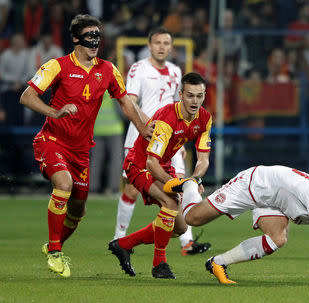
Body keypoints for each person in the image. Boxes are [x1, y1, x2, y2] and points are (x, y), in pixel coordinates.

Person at [19, 14, 152, 278]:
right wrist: (54, 112)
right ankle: (56, 252)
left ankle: (53, 246)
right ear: (76, 38)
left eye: (98, 37)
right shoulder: (57, 66)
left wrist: (141, 128)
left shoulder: (108, 69)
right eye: (90, 36)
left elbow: (125, 101)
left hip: (81, 151)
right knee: (64, 184)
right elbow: (27, 96)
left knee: (78, 210)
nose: (94, 42)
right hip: (53, 141)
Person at [178, 165, 309, 285]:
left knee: (278, 240)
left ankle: (218, 263)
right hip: (253, 184)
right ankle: (189, 184)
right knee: (192, 218)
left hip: (273, 202)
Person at [113, 26, 211, 255]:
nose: (161, 47)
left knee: (179, 184)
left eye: (166, 44)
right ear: (149, 46)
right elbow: (130, 101)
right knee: (132, 188)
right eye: (157, 43)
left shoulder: (177, 72)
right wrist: (150, 123)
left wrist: (182, 142)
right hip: (142, 134)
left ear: (171, 47)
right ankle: (119, 236)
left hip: (172, 139)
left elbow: (183, 107)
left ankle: (186, 242)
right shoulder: (139, 69)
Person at [108, 72, 212, 279]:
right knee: (171, 203)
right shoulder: (167, 118)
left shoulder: (205, 118)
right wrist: (177, 184)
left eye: (199, 96)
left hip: (162, 165)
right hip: (140, 165)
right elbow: (151, 162)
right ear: (180, 95)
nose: (195, 101)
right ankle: (159, 264)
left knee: (181, 227)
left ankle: (124, 244)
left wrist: (195, 179)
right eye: (190, 95)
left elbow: (203, 160)